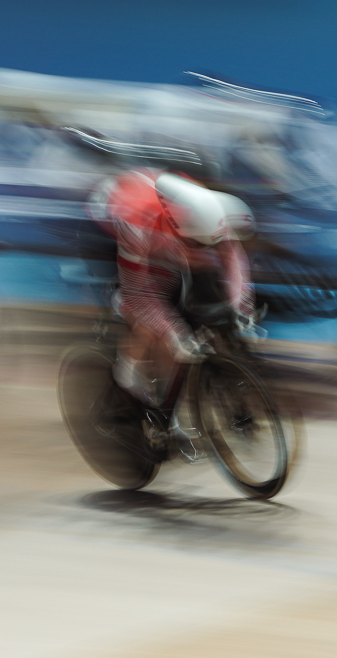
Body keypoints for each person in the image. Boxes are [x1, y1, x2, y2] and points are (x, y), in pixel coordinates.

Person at [75, 133, 256, 433]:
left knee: (184, 319)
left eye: (203, 246)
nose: (201, 254)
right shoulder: (138, 228)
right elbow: (140, 296)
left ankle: (169, 405)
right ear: (177, 231)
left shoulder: (207, 208)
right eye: (194, 246)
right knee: (151, 323)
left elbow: (231, 255)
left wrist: (241, 305)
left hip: (162, 229)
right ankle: (126, 380)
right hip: (107, 230)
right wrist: (173, 334)